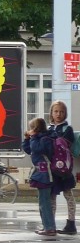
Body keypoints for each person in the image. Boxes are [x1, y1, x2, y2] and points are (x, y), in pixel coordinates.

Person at [23, 116, 57, 237]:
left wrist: (32, 137)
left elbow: (37, 148)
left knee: (45, 202)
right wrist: (27, 139)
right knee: (42, 202)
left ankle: (50, 228)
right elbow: (28, 150)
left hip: (45, 174)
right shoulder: (38, 139)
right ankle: (47, 226)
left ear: (36, 129)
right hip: (40, 173)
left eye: (31, 128)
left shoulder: (44, 139)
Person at [48, 100, 77, 235]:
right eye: (56, 111)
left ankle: (71, 224)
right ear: (51, 113)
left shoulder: (67, 129)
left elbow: (65, 143)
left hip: (64, 168)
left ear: (65, 113)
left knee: (68, 195)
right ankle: (51, 224)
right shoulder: (49, 128)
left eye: (61, 112)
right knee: (52, 196)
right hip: (51, 168)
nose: (58, 114)